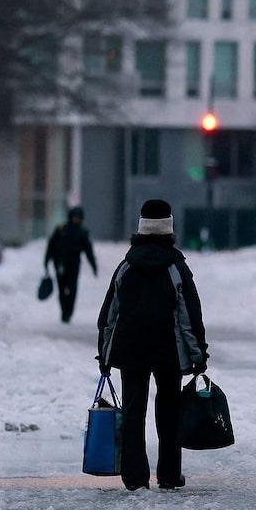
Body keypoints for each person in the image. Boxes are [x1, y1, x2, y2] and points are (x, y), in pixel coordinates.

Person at [97, 199, 209, 491]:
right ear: (169, 228)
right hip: (167, 351)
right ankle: (169, 475)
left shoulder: (126, 266)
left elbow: (109, 314)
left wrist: (104, 354)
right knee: (170, 412)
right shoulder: (176, 268)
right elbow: (190, 315)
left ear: (141, 228)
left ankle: (135, 477)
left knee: (133, 411)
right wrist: (198, 354)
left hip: (131, 350)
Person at [45, 207, 97, 323]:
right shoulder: (61, 229)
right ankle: (64, 312)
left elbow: (88, 251)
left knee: (72, 289)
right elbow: (51, 246)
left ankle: (68, 312)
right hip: (60, 263)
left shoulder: (82, 232)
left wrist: (93, 266)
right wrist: (47, 261)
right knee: (62, 289)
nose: (76, 220)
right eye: (75, 217)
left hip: (74, 265)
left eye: (79, 218)